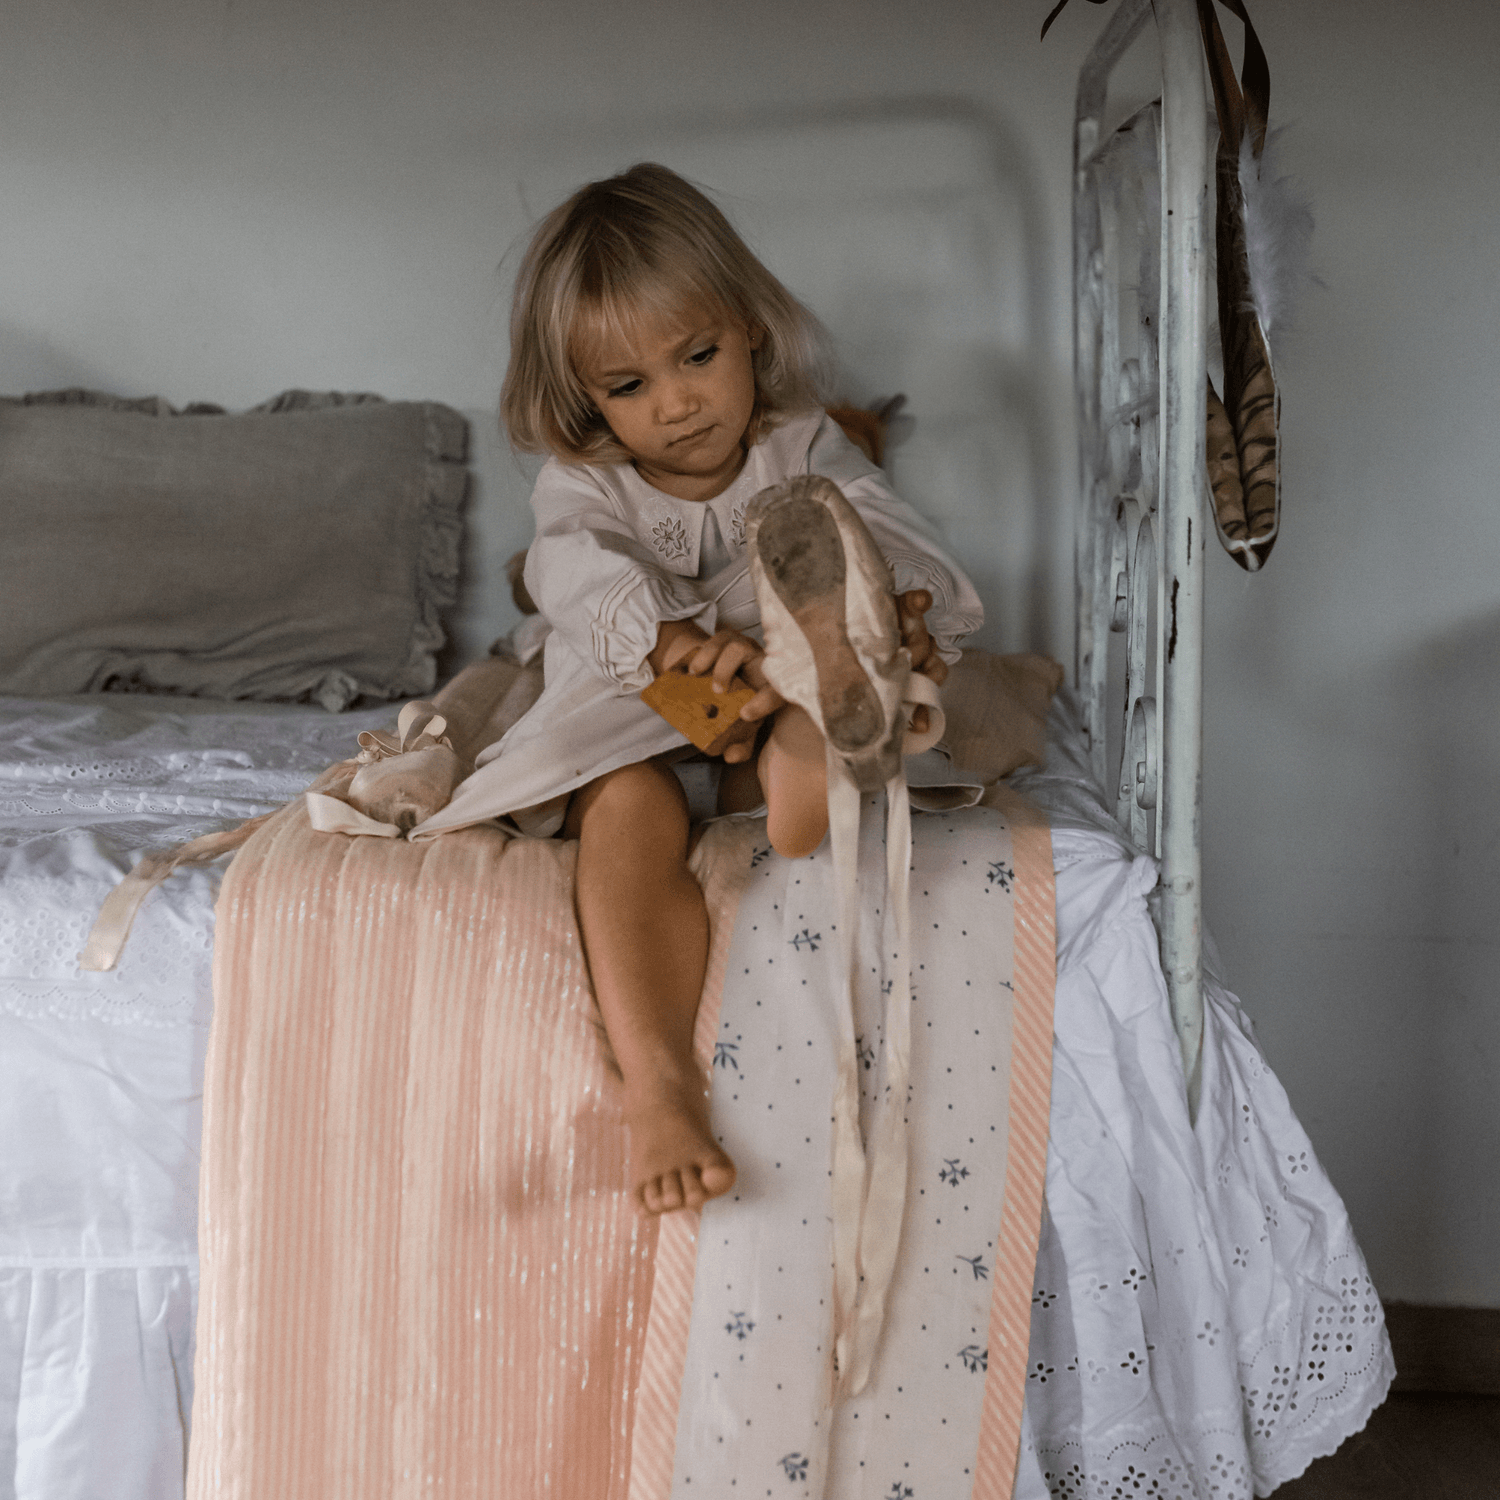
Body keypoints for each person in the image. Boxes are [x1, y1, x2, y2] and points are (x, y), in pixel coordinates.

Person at [415, 163, 983, 1215]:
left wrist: (900, 602)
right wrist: (666, 639)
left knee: (845, 550)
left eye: (698, 357)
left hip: (765, 687)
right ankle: (661, 1086)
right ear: (581, 396)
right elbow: (571, 569)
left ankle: (810, 743)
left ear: (750, 332)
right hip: (633, 699)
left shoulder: (799, 443)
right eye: (627, 387)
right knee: (626, 809)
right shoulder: (585, 481)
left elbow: (879, 517)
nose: (675, 405)